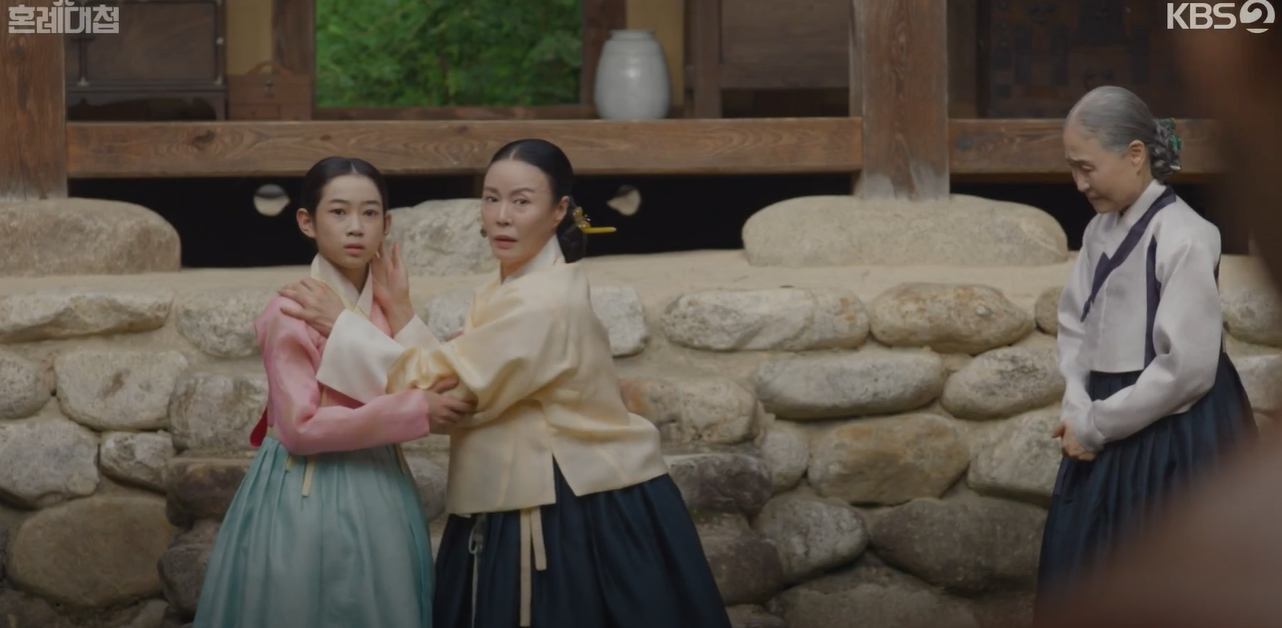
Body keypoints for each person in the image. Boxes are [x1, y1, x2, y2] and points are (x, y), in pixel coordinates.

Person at [278, 139, 734, 628]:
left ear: (559, 210)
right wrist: (402, 315)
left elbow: (454, 388)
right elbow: (461, 366)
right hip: (530, 487)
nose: (501, 216)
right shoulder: (517, 286)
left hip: (569, 499)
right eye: (492, 199)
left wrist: (345, 326)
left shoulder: (542, 302)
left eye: (521, 202)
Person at [1033, 28, 1282, 628]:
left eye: (1088, 168)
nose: (1080, 184)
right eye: (1073, 169)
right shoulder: (1099, 230)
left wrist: (1098, 425)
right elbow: (1074, 322)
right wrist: (1077, 401)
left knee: (1166, 568)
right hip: (1103, 409)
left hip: (1172, 428)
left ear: (1135, 154)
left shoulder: (1186, 236)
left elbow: (1186, 369)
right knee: (1088, 566)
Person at [192, 156, 474, 628]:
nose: (355, 227)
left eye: (369, 213)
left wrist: (401, 308)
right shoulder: (291, 310)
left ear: (387, 225)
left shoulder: (383, 305)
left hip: (382, 486)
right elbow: (299, 428)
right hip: (306, 487)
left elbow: (437, 382)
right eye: (338, 212)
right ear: (307, 221)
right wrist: (413, 409)